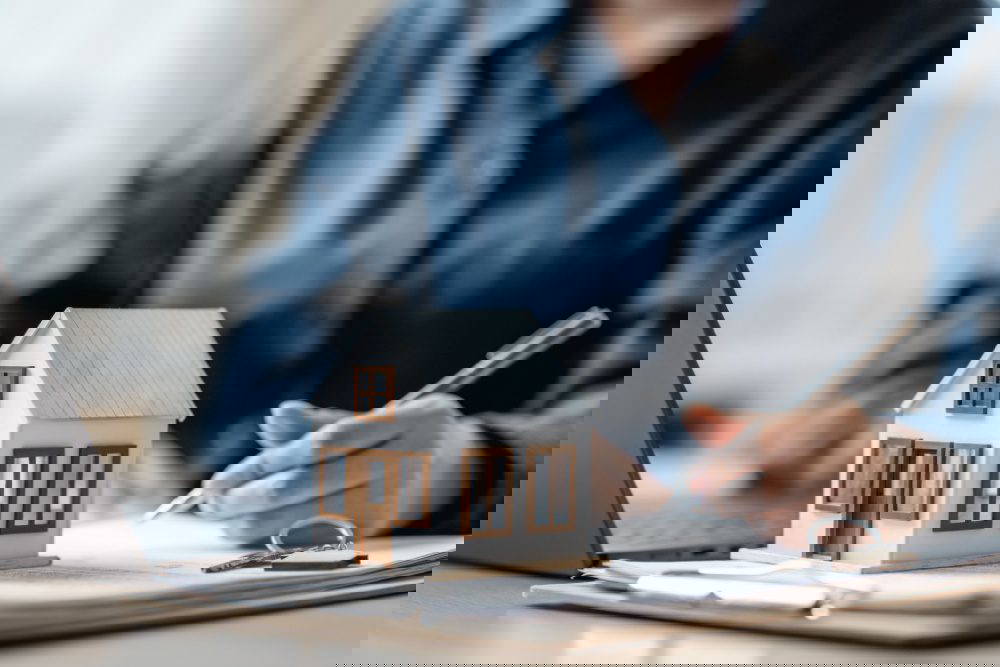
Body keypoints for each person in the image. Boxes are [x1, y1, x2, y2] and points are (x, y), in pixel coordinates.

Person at [1, 0, 992, 544]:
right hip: (161, 544)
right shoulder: (427, 27)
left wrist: (466, 470)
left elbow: (759, 441)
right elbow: (150, 281)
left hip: (475, 594)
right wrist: (52, 450)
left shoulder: (927, 75)